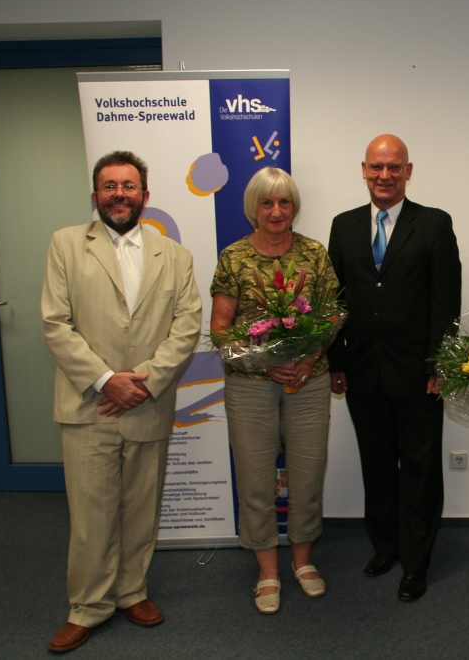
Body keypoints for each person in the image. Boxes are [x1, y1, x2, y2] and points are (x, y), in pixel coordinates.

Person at [41, 150, 202, 653]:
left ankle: (132, 591)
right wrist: (107, 379)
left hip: (147, 403)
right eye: (109, 186)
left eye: (128, 186)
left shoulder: (174, 255)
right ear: (95, 196)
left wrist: (145, 382)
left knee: (140, 508)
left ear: (145, 197)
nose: (119, 194)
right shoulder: (66, 245)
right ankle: (87, 606)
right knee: (91, 513)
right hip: (89, 404)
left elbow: (187, 325)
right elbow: (55, 323)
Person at [327, 134, 462, 602]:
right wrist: (336, 362)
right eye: (376, 167)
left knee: (421, 469)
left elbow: (446, 301)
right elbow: (335, 302)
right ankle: (385, 546)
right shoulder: (343, 227)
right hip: (363, 371)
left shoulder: (434, 224)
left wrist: (441, 364)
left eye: (394, 167)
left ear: (408, 171)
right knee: (378, 467)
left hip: (419, 373)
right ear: (363, 170)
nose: (385, 176)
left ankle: (416, 560)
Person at [209, 167, 336, 615]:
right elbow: (220, 330)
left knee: (307, 474)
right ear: (253, 208)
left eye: (284, 202)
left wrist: (305, 358)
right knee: (256, 478)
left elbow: (333, 315)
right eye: (267, 203)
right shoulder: (235, 257)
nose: (277, 211)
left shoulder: (315, 255)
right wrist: (267, 361)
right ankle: (267, 570)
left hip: (308, 379)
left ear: (294, 206)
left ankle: (303, 562)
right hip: (250, 387)